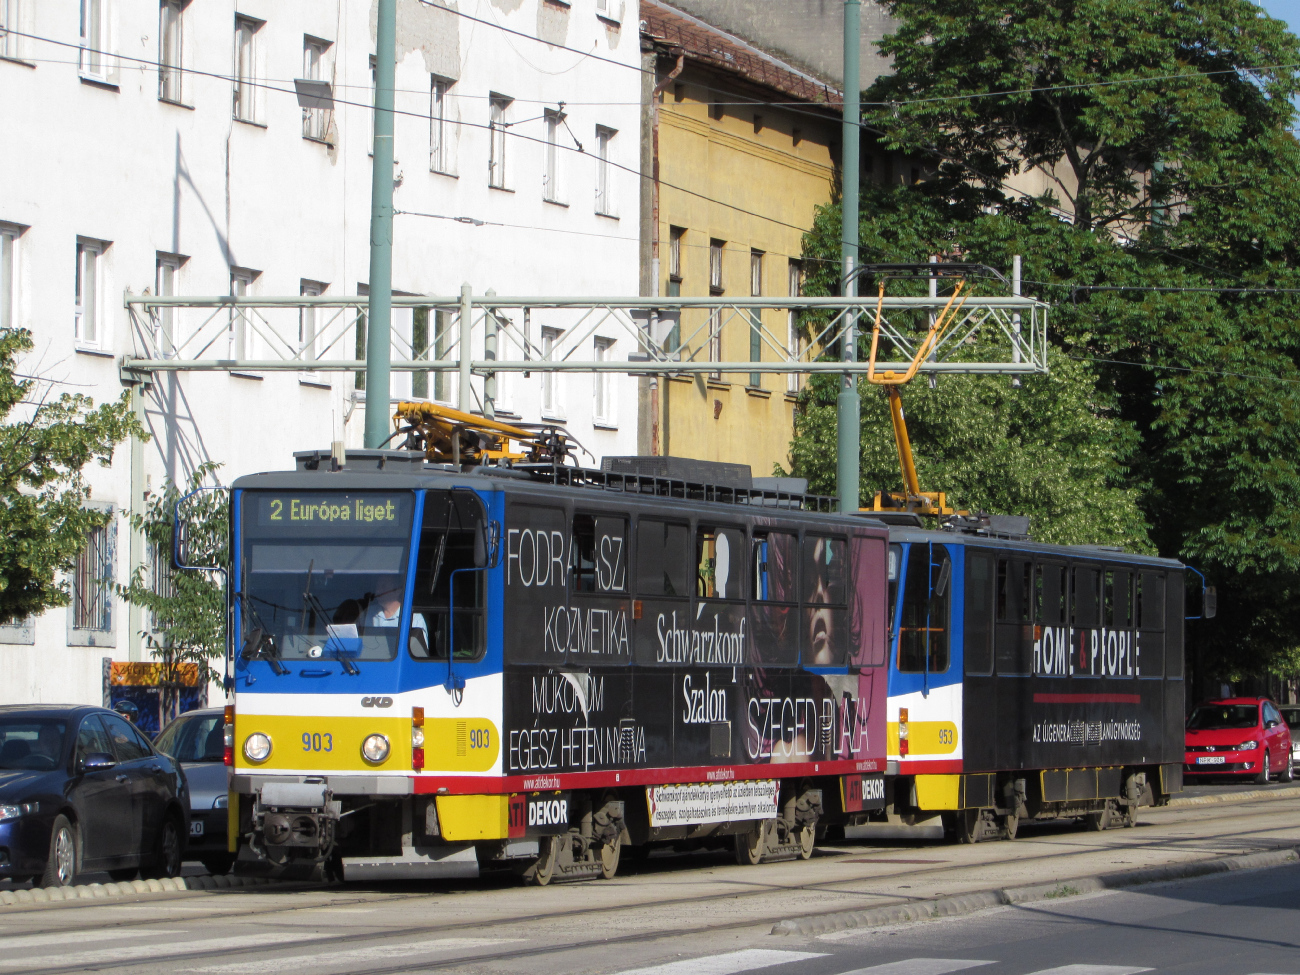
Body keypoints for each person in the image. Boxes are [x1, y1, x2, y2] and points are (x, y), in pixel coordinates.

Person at [365, 575, 428, 647]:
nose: (378, 591)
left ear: (397, 591)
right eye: (377, 587)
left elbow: (419, 652)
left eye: (383, 586)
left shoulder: (414, 617)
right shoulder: (368, 613)